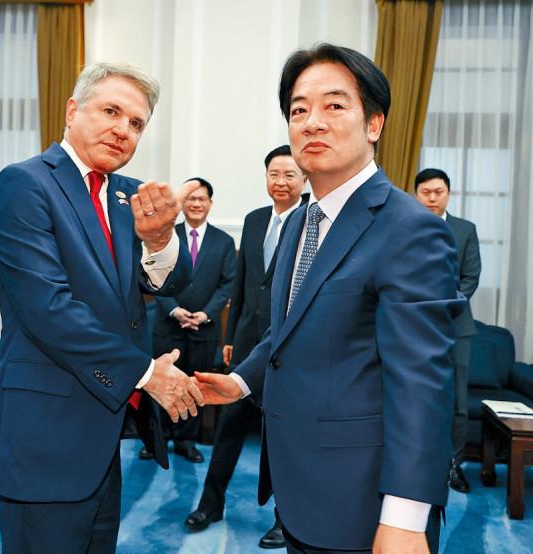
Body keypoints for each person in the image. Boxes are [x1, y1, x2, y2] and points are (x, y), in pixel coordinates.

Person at [193, 44, 465, 554]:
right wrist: (240, 381)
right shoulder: (301, 220)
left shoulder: (410, 229)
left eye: (334, 105)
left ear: (374, 124)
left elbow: (422, 383)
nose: (312, 122)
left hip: (365, 502)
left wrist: (406, 516)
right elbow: (290, 326)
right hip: (299, 488)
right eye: (299, 110)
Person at [0, 61, 204, 553]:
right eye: (111, 111)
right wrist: (146, 373)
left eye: (136, 123)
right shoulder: (24, 184)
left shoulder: (129, 195)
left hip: (104, 435)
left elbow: (174, 283)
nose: (123, 129)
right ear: (72, 111)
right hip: (46, 431)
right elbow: (48, 309)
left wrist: (160, 240)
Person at [184, 145, 307, 549]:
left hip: (287, 348)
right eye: (274, 173)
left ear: (304, 178)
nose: (280, 181)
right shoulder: (255, 220)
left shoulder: (312, 220)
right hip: (246, 345)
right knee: (229, 427)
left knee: (281, 436)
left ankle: (285, 518)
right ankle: (210, 504)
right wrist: (230, 339)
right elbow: (241, 285)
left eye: (290, 174)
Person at [145, 178, 236, 463]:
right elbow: (152, 276)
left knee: (195, 385)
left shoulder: (224, 242)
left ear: (210, 203)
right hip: (168, 325)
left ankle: (186, 441)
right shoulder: (165, 236)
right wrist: (174, 309)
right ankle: (156, 439)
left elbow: (228, 283)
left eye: (202, 199)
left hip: (204, 328)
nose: (196, 203)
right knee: (160, 383)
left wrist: (207, 313)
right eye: (191, 199)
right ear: (183, 203)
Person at [415, 168, 481, 494]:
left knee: (457, 402)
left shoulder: (465, 230)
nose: (432, 198)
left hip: (456, 325)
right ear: (415, 194)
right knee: (414, 395)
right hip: (413, 324)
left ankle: (453, 467)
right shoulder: (403, 227)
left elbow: (470, 278)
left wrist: (442, 308)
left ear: (448, 194)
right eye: (425, 192)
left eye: (438, 192)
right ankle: (416, 464)